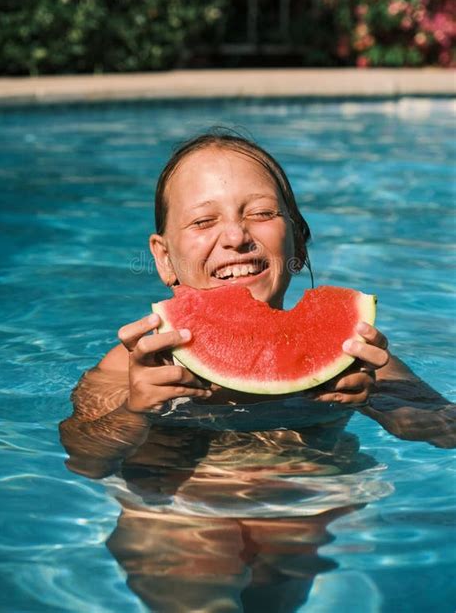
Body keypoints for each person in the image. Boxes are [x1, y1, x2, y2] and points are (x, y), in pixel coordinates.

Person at [60, 132, 455, 613]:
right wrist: (133, 409)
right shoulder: (135, 361)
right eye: (204, 221)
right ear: (164, 258)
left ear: (299, 241)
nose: (235, 237)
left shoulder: (356, 350)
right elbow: (86, 457)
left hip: (305, 496)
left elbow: (444, 429)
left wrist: (379, 399)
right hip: (175, 505)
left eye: (263, 213)